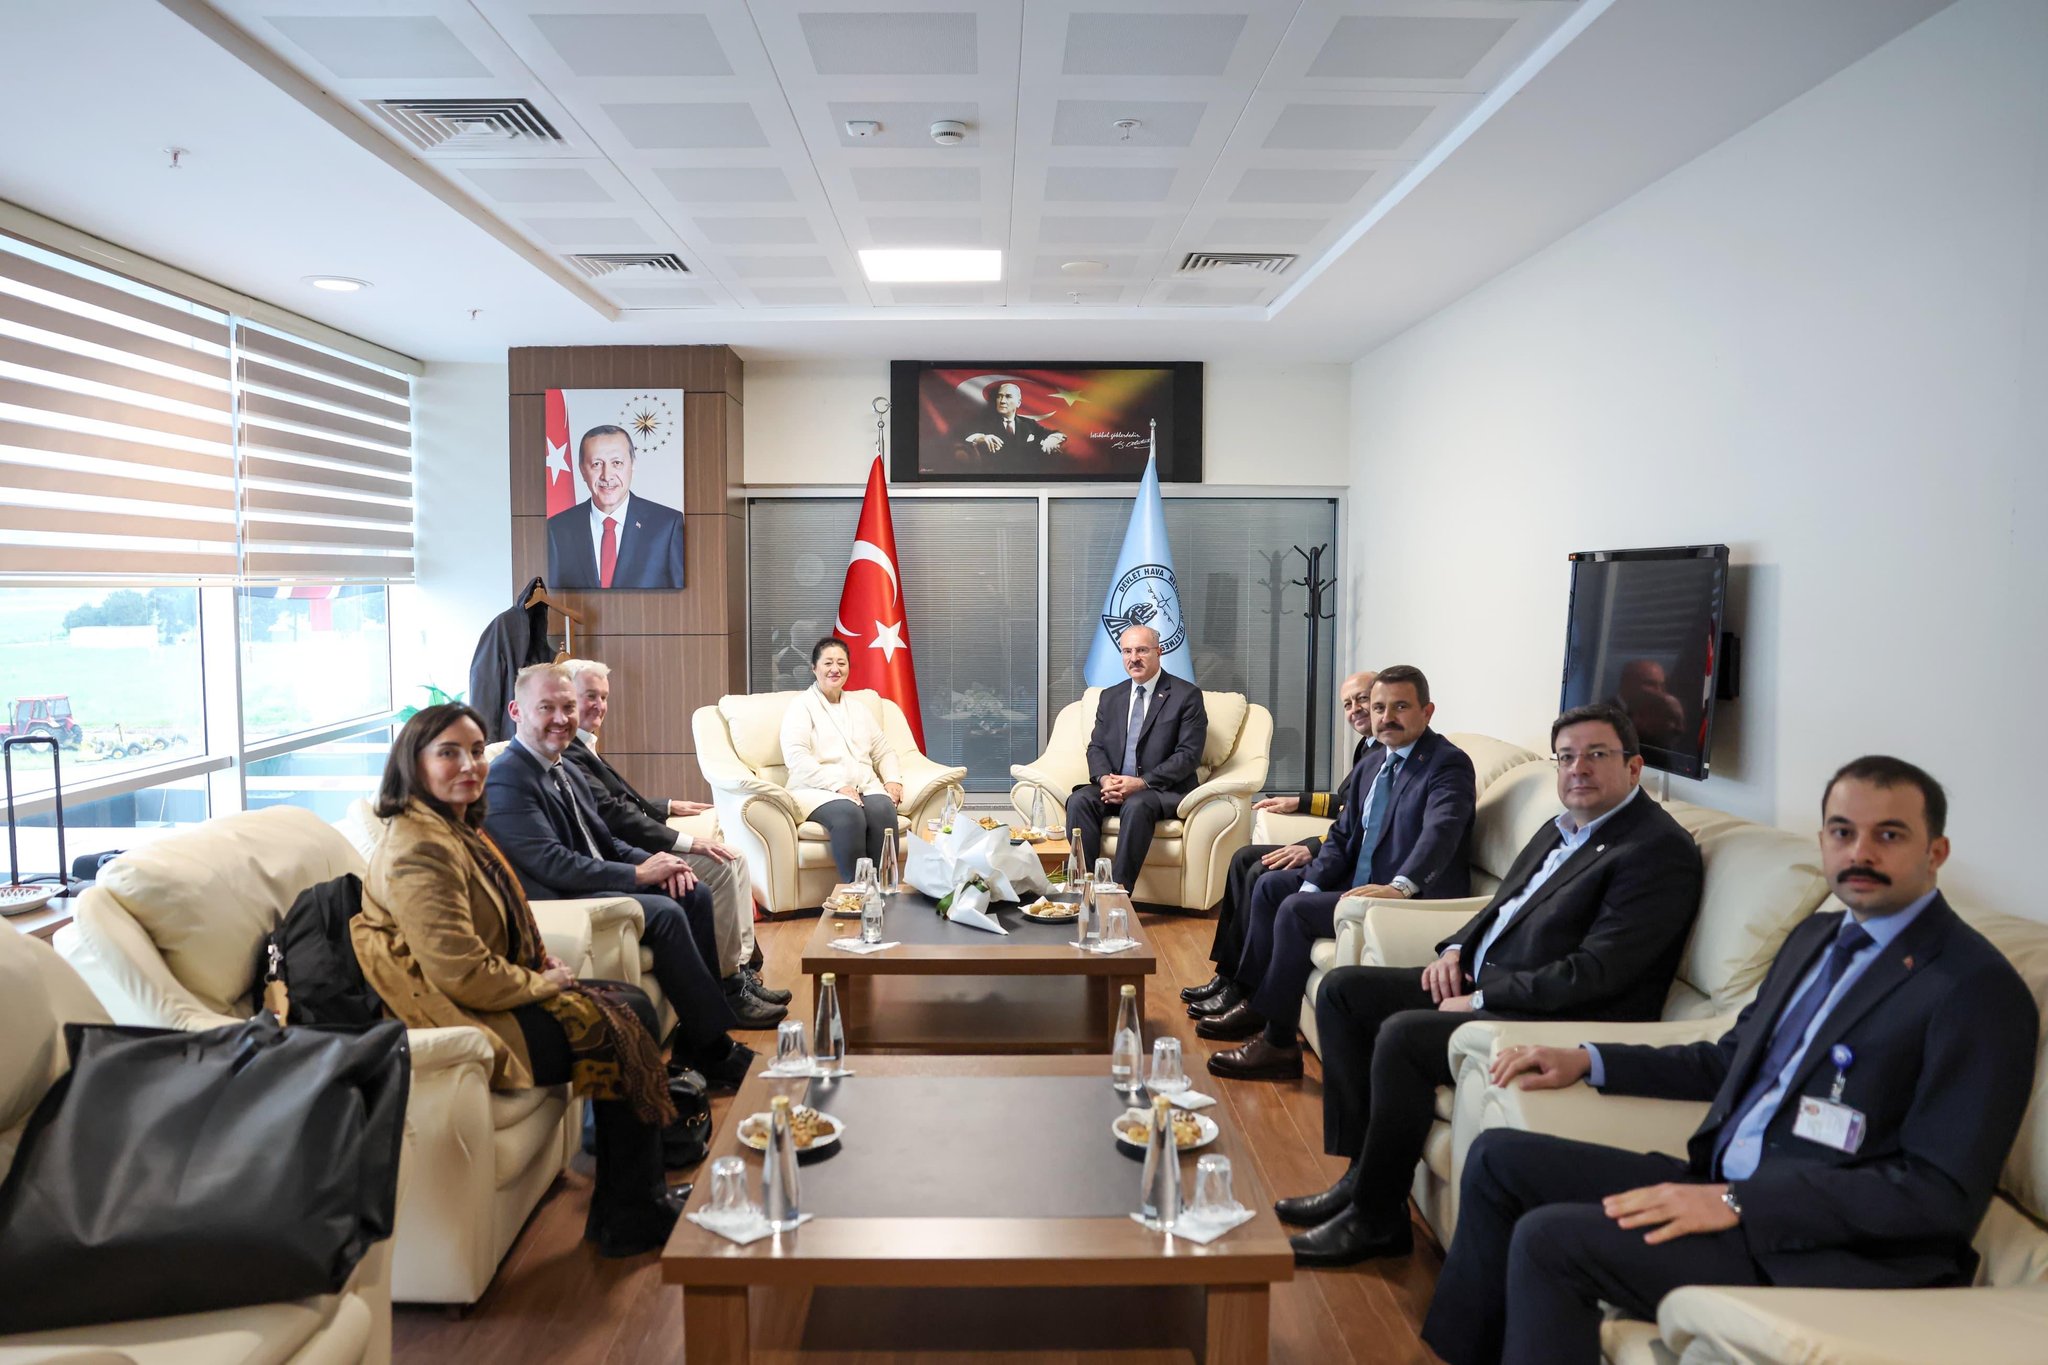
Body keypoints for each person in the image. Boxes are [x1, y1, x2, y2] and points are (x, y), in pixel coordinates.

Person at [1425, 756, 2036, 1365]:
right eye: (1843, 832)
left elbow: (1936, 1195)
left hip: (1821, 1247)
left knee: (1552, 1241)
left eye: (1890, 835)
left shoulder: (1974, 988)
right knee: (1500, 1158)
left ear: (1936, 852)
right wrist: (1589, 1060)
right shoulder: (1817, 939)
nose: (1861, 853)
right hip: (1724, 1186)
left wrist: (1738, 1204)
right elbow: (1729, 1060)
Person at [1279, 702, 1703, 1265]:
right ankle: (1361, 1175)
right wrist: (1456, 949)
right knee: (1344, 993)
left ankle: (1376, 1218)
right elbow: (1500, 905)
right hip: (1484, 976)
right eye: (1566, 757)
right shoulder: (1563, 827)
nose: (1578, 769)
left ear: (1634, 767)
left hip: (1551, 1011)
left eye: (1596, 755)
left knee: (1404, 1036)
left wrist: (1482, 997)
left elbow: (1599, 973)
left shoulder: (1655, 850)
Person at [352, 703, 686, 1258]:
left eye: (475, 751)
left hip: (483, 990)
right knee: (625, 1016)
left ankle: (629, 1197)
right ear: (413, 763)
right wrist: (542, 985)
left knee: (628, 1002)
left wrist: (538, 962)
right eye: (449, 753)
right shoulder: (417, 849)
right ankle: (631, 1211)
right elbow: (458, 972)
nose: (469, 765)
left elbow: (495, 926)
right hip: (451, 1010)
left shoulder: (453, 826)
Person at [483, 663, 771, 1073]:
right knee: (667, 913)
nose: (562, 718)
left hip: (595, 880)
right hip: (564, 898)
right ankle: (714, 1048)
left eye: (568, 707)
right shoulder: (507, 778)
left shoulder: (564, 767)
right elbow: (552, 863)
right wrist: (638, 874)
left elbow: (605, 840)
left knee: (693, 891)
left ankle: (699, 1041)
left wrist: (659, 863)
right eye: (546, 708)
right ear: (516, 711)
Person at [1205, 665, 1477, 1080]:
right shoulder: (1373, 763)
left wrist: (1401, 887)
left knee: (1295, 910)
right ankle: (1254, 1000)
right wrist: (1313, 884)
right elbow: (1342, 835)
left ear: (1427, 711)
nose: (1386, 717)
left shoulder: (1447, 764)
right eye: (1380, 707)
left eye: (1400, 707)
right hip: (1359, 881)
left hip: (1408, 897)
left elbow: (1441, 832)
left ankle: (1278, 1044)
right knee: (1273, 886)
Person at [560, 658, 787, 1013]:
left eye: (603, 697)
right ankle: (729, 984)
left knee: (735, 856)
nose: (599, 706)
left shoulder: (583, 742)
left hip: (634, 841)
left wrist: (665, 805)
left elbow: (615, 801)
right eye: (590, 696)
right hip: (628, 851)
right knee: (723, 865)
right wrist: (687, 843)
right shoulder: (567, 749)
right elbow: (614, 816)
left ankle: (742, 971)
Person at [1186, 669, 1379, 1013]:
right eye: (1348, 704)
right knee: (1243, 858)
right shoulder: (1369, 747)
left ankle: (1244, 988)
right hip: (1338, 844)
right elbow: (1349, 804)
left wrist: (1313, 847)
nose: (1355, 710)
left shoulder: (1389, 754)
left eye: (1362, 699)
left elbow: (1364, 823)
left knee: (1261, 871)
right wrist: (1298, 802)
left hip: (1346, 855)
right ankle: (1227, 974)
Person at [1065, 623, 1207, 893]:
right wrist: (1105, 780)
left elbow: (1188, 756)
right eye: (1127, 651)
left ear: (1158, 652)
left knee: (1137, 804)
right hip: (1114, 785)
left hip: (1159, 790)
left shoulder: (1187, 696)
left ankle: (1117, 892)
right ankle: (1082, 889)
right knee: (1079, 800)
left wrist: (1141, 783)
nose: (1134, 658)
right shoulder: (1110, 696)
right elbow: (1096, 747)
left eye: (1142, 650)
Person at [780, 637, 905, 881]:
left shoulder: (859, 709)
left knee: (883, 810)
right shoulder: (801, 706)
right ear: (814, 668)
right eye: (828, 663)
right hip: (817, 789)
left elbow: (884, 751)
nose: (835, 669)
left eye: (841, 663)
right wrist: (837, 786)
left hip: (863, 786)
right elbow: (796, 757)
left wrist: (893, 780)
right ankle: (858, 891)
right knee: (849, 815)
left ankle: (885, 890)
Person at [545, 425, 685, 590]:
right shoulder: (557, 529)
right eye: (597, 464)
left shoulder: (667, 525)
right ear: (582, 470)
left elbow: (682, 597)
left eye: (617, 463)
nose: (607, 475)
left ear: (632, 464)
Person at [962, 382, 1066, 462]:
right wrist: (981, 438)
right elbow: (964, 438)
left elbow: (1058, 434)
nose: (1002, 401)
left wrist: (1052, 439)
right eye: (999, 396)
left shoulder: (1028, 423)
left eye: (1008, 396)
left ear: (1018, 403)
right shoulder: (984, 421)